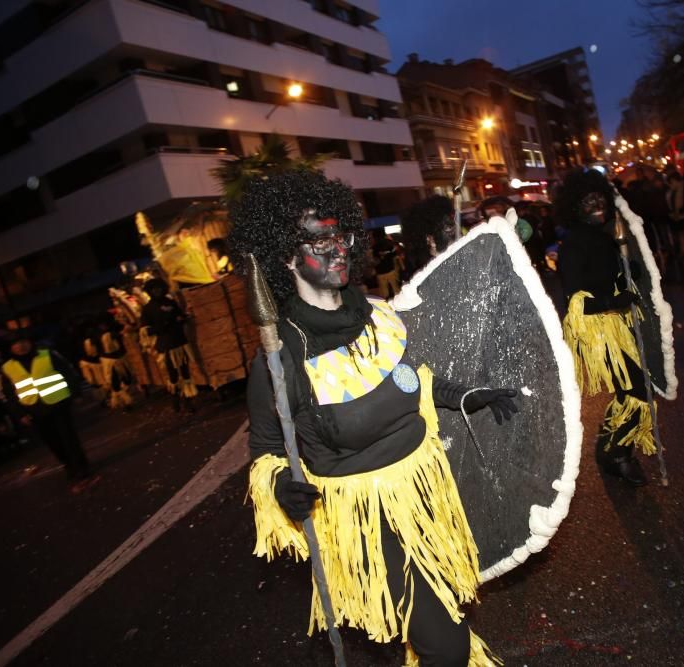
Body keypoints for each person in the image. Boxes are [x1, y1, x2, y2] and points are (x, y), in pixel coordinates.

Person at [227, 170, 516, 666]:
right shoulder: (280, 359)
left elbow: (414, 381)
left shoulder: (381, 315)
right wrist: (280, 488)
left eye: (340, 236)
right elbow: (267, 453)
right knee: (445, 644)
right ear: (286, 257)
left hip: (426, 498)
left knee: (447, 626)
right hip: (368, 520)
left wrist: (470, 395)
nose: (337, 248)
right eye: (319, 240)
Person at [556, 168, 655, 486]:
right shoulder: (572, 245)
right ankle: (617, 455)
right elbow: (575, 302)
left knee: (634, 389)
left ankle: (611, 446)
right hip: (595, 332)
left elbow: (607, 277)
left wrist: (628, 271)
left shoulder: (605, 237)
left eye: (600, 198)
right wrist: (614, 301)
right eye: (587, 201)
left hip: (615, 326)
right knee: (637, 389)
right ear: (575, 207)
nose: (596, 205)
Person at [0, 331, 98, 492]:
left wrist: (76, 393)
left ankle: (81, 467)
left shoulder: (47, 354)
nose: (21, 346)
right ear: (10, 348)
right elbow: (9, 394)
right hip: (34, 409)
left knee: (68, 437)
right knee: (53, 442)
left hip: (58, 403)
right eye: (16, 344)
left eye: (23, 341)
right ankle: (68, 466)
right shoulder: (7, 368)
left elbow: (67, 372)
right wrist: (20, 414)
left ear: (30, 342)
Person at [140, 278, 198, 412]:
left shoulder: (171, 302)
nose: (157, 291)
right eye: (154, 289)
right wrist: (166, 323)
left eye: (159, 288)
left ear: (163, 288)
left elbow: (179, 316)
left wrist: (184, 317)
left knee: (185, 372)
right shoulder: (148, 309)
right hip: (166, 346)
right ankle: (175, 398)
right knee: (172, 375)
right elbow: (146, 331)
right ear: (150, 291)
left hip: (180, 342)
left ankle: (188, 400)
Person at [371, 229, 401, 298]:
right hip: (390, 270)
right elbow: (395, 254)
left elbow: (374, 259)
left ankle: (386, 305)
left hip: (380, 272)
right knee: (396, 290)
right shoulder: (389, 243)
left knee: (384, 293)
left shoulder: (374, 246)